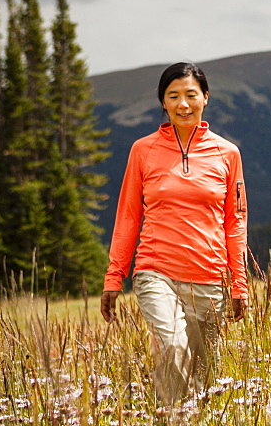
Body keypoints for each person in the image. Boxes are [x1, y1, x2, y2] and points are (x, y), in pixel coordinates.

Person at [100, 62, 248, 403]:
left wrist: (239, 282)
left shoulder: (227, 153)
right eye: (174, 96)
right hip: (156, 271)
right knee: (172, 346)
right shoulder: (143, 150)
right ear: (163, 102)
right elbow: (127, 216)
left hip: (210, 278)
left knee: (201, 373)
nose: (183, 104)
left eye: (191, 95)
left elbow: (236, 221)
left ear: (205, 98)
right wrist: (114, 277)